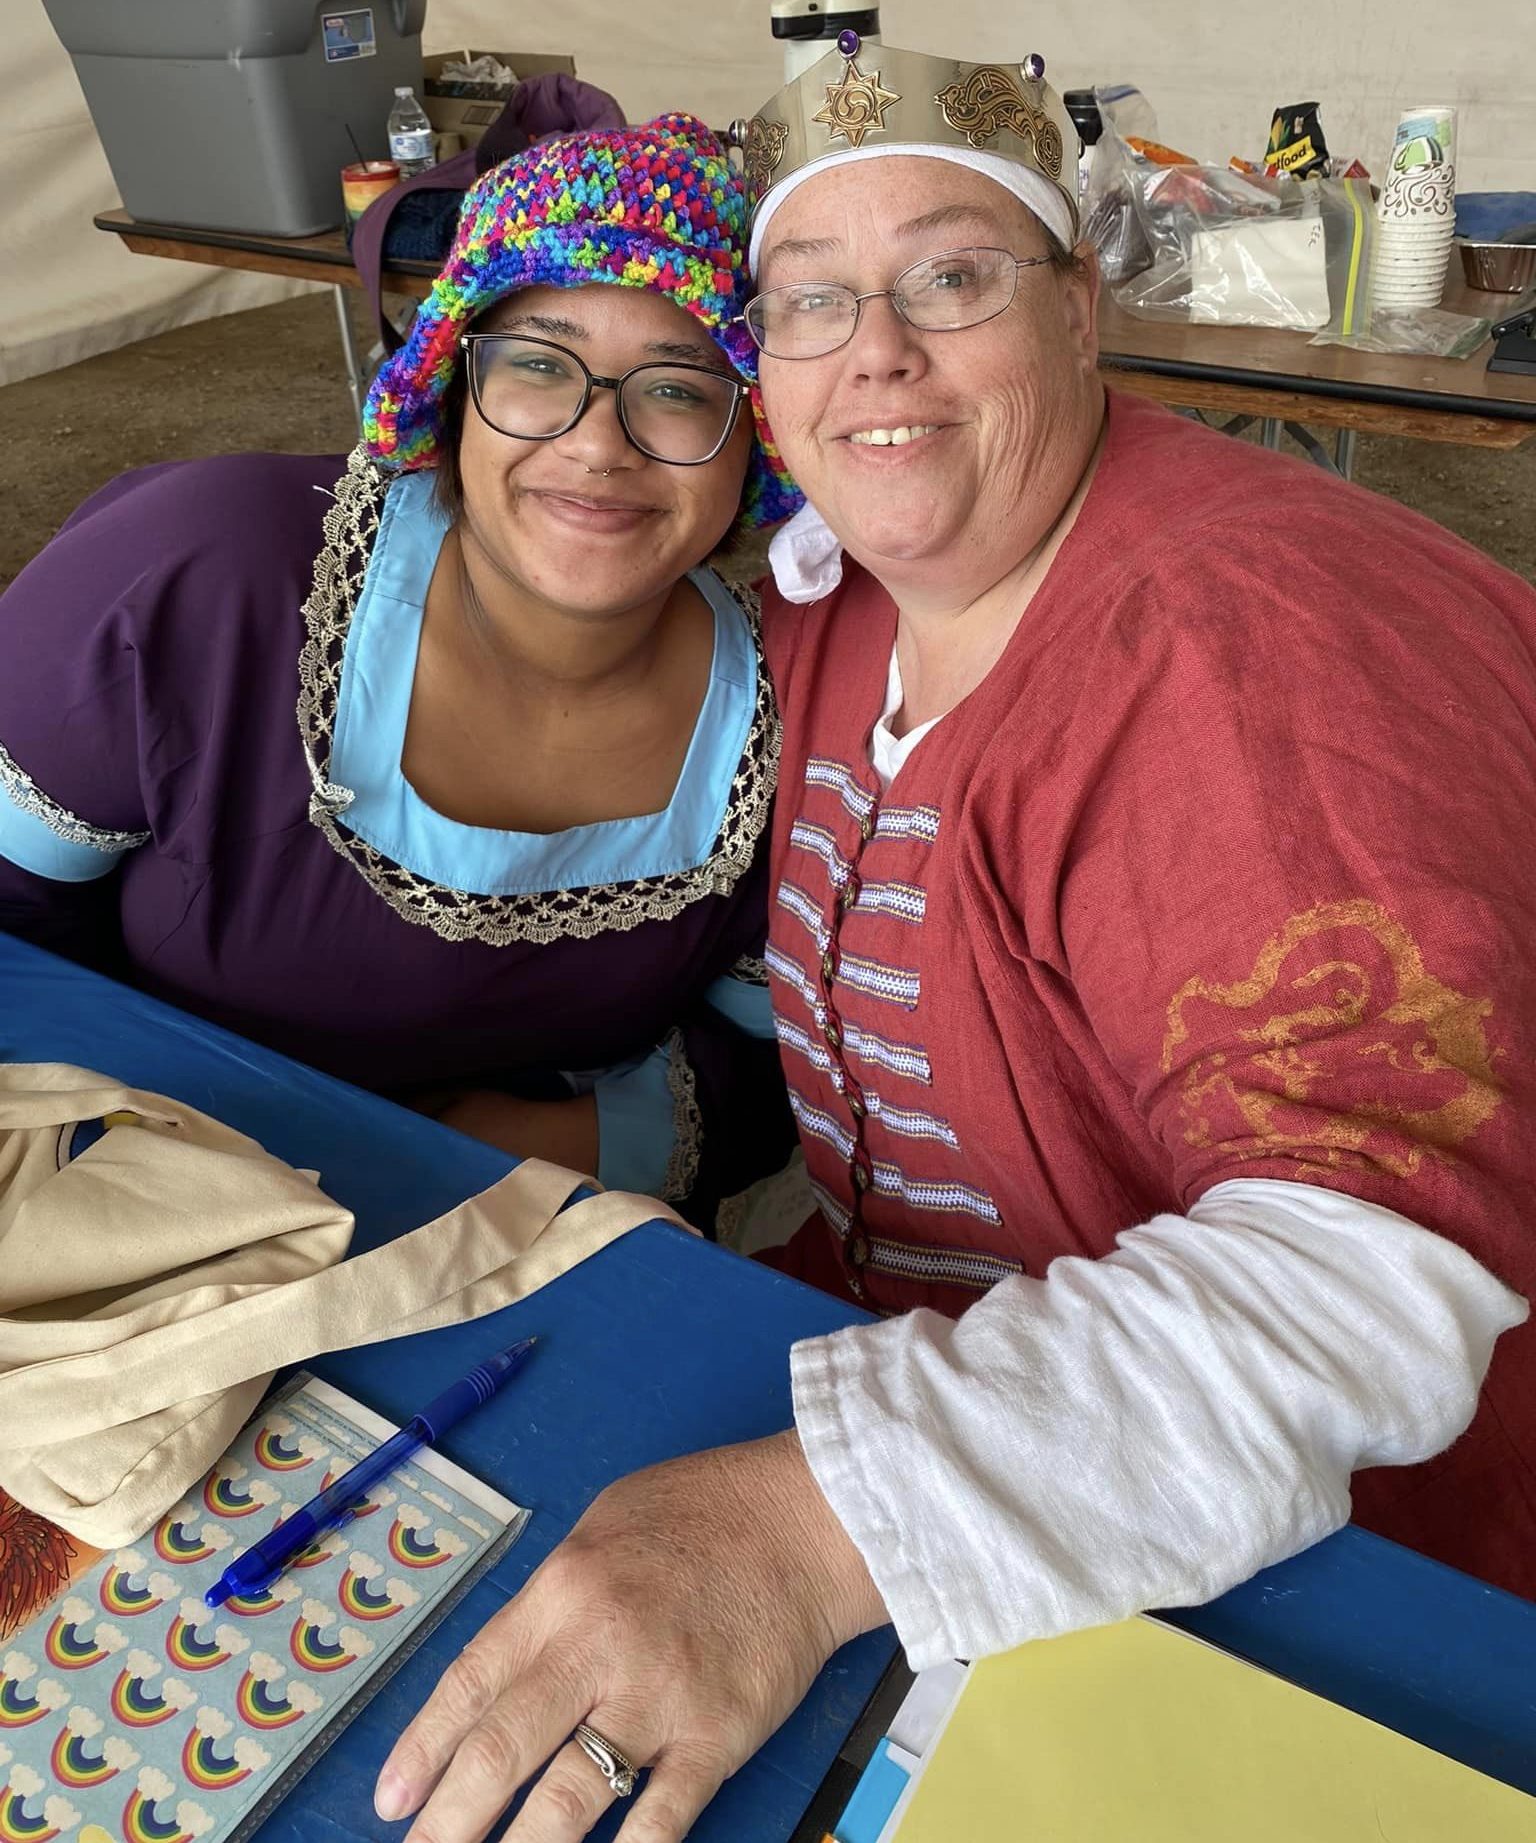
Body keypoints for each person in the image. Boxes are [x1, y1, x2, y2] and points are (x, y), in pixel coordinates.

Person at [369, 46, 1536, 1843]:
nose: (877, 354)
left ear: (1083, 315)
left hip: (1355, 1549)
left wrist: (795, 1530)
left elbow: (1370, 1278)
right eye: (812, 301)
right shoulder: (837, 602)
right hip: (941, 1397)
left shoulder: (1248, 648)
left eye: (952, 278)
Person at [0, 117, 800, 1225]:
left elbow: (786, 1065)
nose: (597, 443)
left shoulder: (795, 714)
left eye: (677, 386)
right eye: (536, 363)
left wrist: (529, 1148)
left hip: (525, 1242)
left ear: (756, 433)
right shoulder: (197, 579)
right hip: (124, 1215)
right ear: (450, 381)